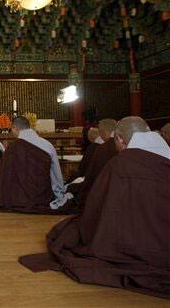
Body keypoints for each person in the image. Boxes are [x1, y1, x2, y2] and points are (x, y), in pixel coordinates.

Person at [19, 116, 170, 299]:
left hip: (130, 243)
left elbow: (97, 205)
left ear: (120, 139)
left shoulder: (121, 164)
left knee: (69, 231)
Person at [0, 116, 74, 214]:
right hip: (43, 196)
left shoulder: (13, 148)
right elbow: (56, 173)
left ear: (15, 128)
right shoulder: (47, 145)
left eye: (12, 130)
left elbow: (2, 173)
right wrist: (58, 194)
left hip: (18, 197)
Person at [67, 119, 118, 208]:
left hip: (100, 190)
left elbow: (89, 174)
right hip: (117, 190)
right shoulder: (122, 144)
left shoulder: (100, 149)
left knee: (72, 187)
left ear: (101, 133)